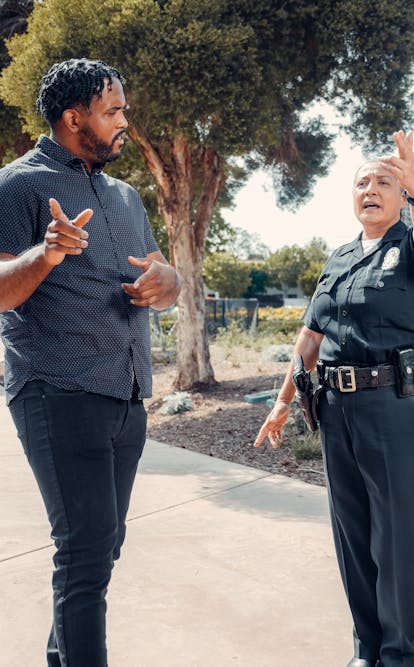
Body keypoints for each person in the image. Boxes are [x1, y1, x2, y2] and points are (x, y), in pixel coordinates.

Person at [0, 59, 181, 667]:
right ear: (74, 118)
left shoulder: (125, 197)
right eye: (113, 112)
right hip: (57, 388)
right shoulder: (18, 186)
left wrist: (167, 280)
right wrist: (45, 254)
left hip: (126, 392)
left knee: (102, 547)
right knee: (84, 550)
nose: (125, 121)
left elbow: (165, 273)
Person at [254, 130, 414, 667]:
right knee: (353, 536)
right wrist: (283, 401)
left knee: (396, 544)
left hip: (399, 410)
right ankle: (367, 650)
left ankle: (400, 655)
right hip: (338, 412)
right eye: (362, 181)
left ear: (400, 194)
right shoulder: (338, 259)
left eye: (382, 181)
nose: (371, 188)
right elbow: (311, 336)